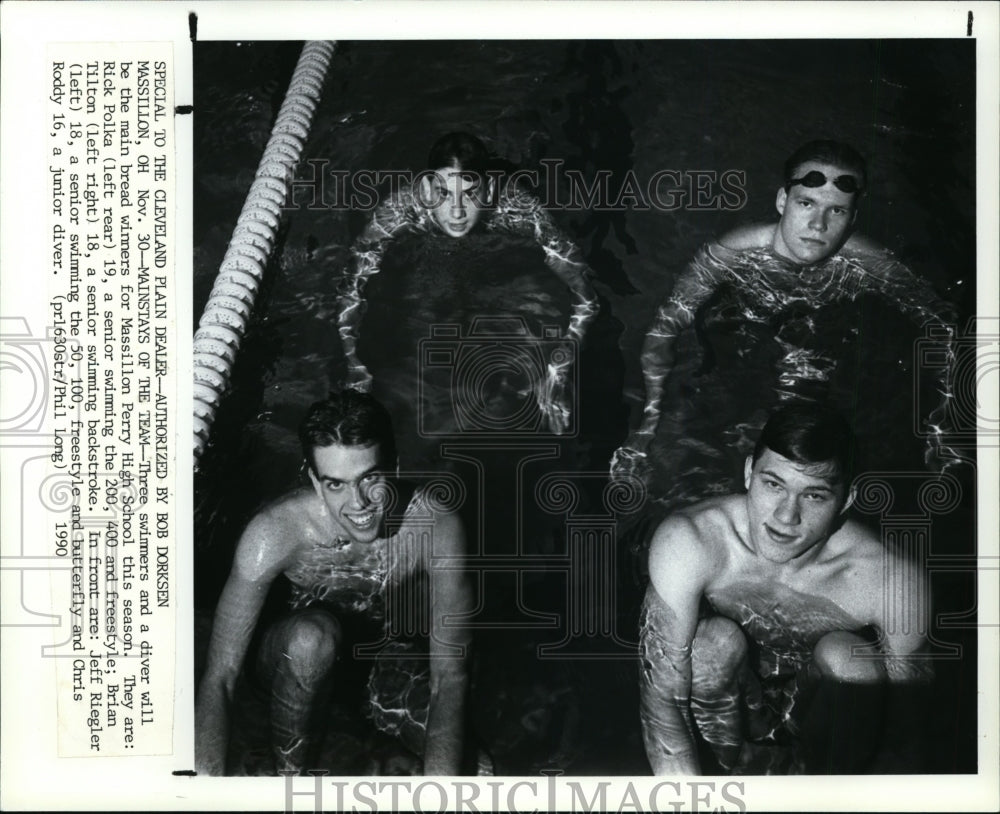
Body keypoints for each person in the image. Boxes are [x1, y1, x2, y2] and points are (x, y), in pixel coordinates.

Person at [612, 140, 955, 482]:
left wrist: (940, 424)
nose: (818, 224)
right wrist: (647, 424)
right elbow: (665, 328)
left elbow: (945, 324)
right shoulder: (732, 253)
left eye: (836, 210)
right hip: (743, 342)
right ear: (782, 201)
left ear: (853, 218)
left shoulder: (869, 263)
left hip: (826, 354)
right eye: (806, 203)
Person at [639, 403, 932, 775]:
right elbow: (663, 699)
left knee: (851, 658)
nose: (785, 516)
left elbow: (905, 736)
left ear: (847, 499)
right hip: (729, 714)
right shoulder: (691, 542)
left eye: (813, 496)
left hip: (819, 722)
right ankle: (733, 772)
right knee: (710, 647)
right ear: (748, 473)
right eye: (773, 484)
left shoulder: (891, 581)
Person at [195, 390, 472, 776]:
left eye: (369, 478)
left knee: (478, 769)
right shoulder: (276, 533)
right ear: (313, 479)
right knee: (312, 639)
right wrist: (205, 790)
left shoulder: (436, 527)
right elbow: (221, 676)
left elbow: (450, 676)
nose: (357, 503)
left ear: (393, 465)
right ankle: (290, 775)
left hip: (375, 662)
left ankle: (365, 734)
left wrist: (441, 792)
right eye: (335, 484)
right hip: (290, 664)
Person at [337, 131, 599, 435]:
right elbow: (350, 289)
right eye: (444, 194)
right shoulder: (398, 211)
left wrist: (557, 372)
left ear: (488, 191)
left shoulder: (519, 210)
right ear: (425, 188)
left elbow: (587, 299)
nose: (457, 211)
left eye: (470, 194)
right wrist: (354, 365)